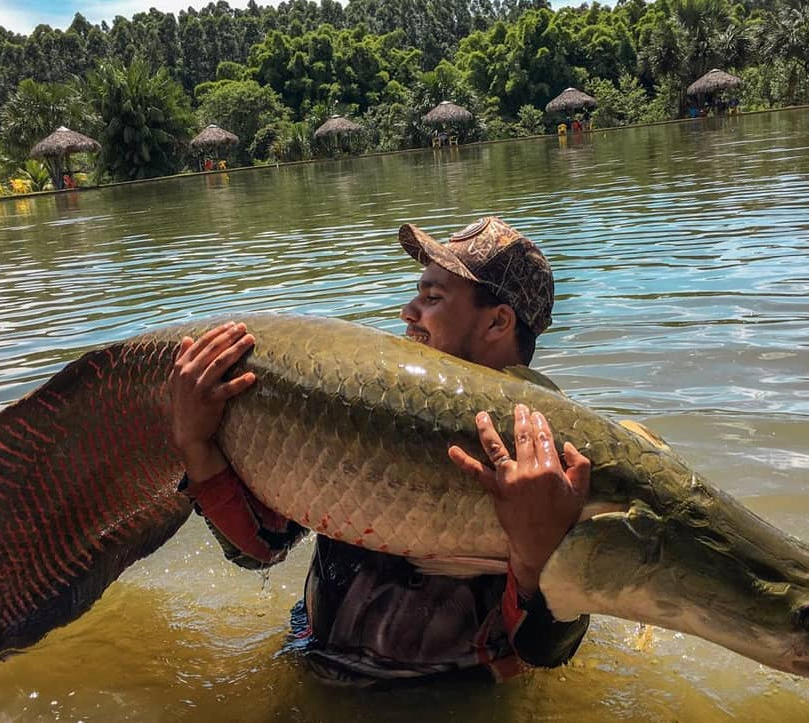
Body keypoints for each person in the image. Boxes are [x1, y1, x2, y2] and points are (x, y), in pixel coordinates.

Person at [168, 217, 591, 686]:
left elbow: (548, 650)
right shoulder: (365, 408)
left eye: (432, 298)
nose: (408, 312)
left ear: (497, 321)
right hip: (311, 663)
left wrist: (534, 559)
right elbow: (261, 550)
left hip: (448, 700)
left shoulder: (545, 461)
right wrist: (196, 445)